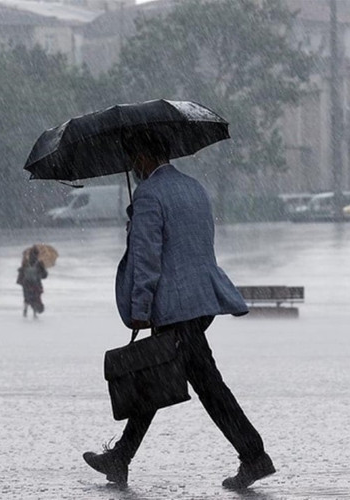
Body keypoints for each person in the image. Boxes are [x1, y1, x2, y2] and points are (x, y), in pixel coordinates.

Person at [82, 130, 275, 490]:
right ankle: (121, 457)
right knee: (155, 375)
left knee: (206, 384)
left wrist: (140, 308)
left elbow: (147, 259)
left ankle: (254, 456)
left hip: (174, 307)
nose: (132, 166)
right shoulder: (194, 188)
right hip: (200, 300)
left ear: (143, 156)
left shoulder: (149, 195)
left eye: (132, 159)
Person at [16, 245, 47, 318]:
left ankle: (25, 310)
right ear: (37, 254)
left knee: (27, 297)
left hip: (26, 283)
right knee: (36, 298)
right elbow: (44, 275)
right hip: (36, 283)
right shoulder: (39, 263)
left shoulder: (26, 262)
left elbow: (21, 271)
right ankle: (34, 313)